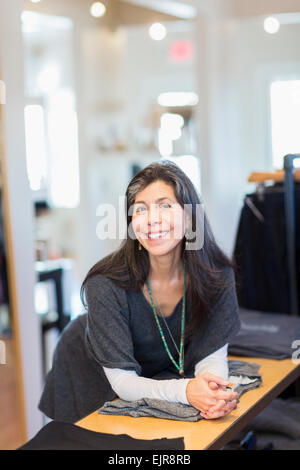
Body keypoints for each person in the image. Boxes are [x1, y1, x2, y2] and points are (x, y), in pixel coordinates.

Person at [81, 160, 240, 420]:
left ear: (189, 217)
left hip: (165, 387)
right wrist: (187, 391)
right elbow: (123, 383)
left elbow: (212, 356)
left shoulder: (217, 276)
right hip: (98, 387)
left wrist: (213, 393)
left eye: (165, 205)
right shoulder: (105, 284)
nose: (152, 219)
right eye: (140, 209)